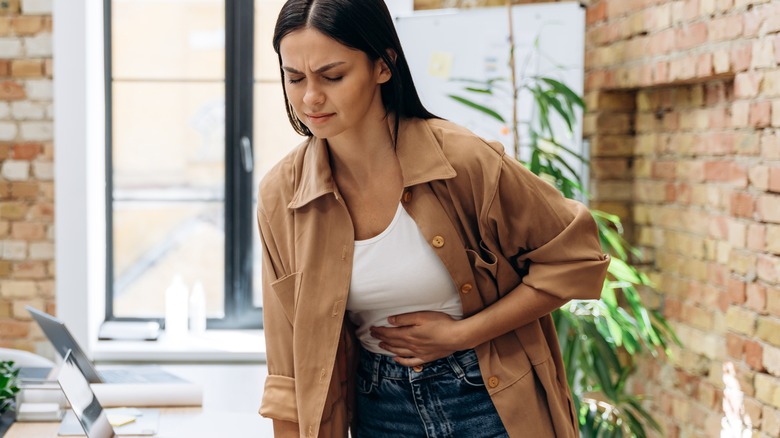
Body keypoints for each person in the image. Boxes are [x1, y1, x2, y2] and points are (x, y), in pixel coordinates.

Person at [257, 0, 610, 436]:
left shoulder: (464, 162)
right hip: (378, 408)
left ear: (384, 66)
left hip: (488, 398)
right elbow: (288, 367)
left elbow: (577, 259)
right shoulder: (282, 197)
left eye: (333, 76)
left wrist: (464, 334)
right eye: (294, 77)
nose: (310, 97)